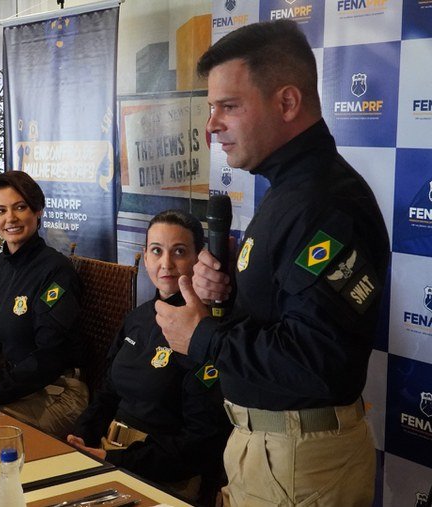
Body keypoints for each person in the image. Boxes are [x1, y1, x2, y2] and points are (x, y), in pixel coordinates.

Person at [154, 20, 390, 506]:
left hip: (302, 463)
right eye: (211, 108)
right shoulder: (289, 191)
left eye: (229, 106)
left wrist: (201, 335)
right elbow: (288, 314)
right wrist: (226, 295)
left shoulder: (325, 202)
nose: (212, 125)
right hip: (275, 452)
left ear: (286, 103)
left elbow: (318, 359)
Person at [66, 210, 230, 501]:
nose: (166, 263)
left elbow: (201, 442)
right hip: (108, 454)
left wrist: (116, 460)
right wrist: (81, 439)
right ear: (145, 256)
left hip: (164, 474)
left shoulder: (206, 331)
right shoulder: (138, 318)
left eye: (179, 251)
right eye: (156, 251)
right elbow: (107, 393)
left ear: (198, 258)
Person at [0, 171, 87, 438]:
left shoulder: (56, 271)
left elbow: (50, 355)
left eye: (20, 207)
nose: (10, 218)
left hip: (57, 391)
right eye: (1, 210)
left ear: (38, 211)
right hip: (12, 384)